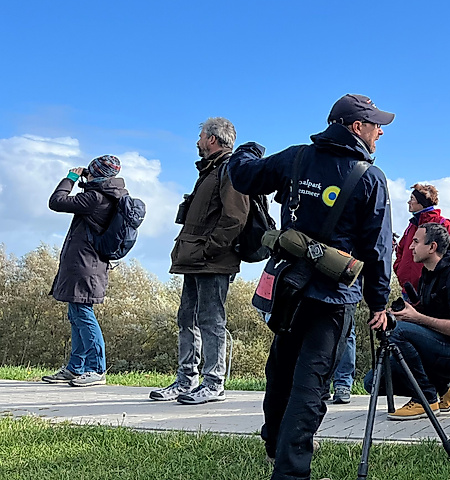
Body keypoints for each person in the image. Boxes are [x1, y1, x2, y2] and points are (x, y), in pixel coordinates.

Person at [227, 93, 394, 480]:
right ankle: (291, 469)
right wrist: (379, 302)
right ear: (357, 128)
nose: (380, 132)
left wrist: (248, 149)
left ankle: (274, 441)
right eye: (376, 125)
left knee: (282, 366)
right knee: (312, 383)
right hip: (334, 297)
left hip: (290, 285)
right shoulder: (370, 177)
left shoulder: (296, 158)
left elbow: (244, 175)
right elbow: (378, 249)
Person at [150, 118, 250, 405]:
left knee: (210, 319)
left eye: (201, 136)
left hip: (213, 260)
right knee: (187, 318)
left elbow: (235, 218)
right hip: (195, 258)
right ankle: (185, 381)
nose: (197, 141)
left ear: (213, 139)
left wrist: (209, 249)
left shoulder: (230, 170)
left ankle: (213, 383)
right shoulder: (209, 171)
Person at [369, 223, 450, 419]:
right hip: (439, 346)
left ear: (432, 247)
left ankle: (426, 399)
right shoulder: (428, 274)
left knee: (399, 332)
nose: (410, 247)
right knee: (373, 380)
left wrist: (417, 318)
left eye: (416, 242)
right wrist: (399, 315)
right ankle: (444, 386)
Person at [42, 155, 129, 388]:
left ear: (96, 173)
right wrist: (88, 179)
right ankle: (75, 367)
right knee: (76, 315)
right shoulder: (109, 195)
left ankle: (95, 369)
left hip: (85, 266)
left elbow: (57, 201)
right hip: (86, 264)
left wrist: (71, 177)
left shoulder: (95, 198)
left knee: (83, 315)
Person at [393, 184, 450, 292]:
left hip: (432, 291)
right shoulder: (411, 226)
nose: (408, 202)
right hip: (408, 290)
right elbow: (400, 249)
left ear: (421, 202)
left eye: (412, 199)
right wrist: (400, 270)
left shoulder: (443, 224)